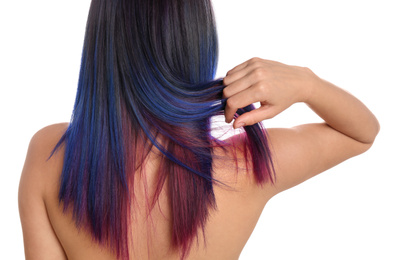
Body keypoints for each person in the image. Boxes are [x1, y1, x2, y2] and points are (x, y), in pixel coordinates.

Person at [18, 0, 379, 259]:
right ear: (196, 43)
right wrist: (306, 83)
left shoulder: (49, 156)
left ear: (101, 44)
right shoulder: (244, 168)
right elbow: (361, 132)